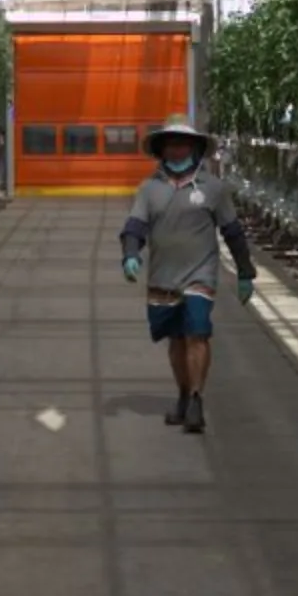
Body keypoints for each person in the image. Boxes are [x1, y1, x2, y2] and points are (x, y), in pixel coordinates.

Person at [117, 115, 257, 433]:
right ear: (162, 150)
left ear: (195, 148)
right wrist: (130, 255)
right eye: (171, 144)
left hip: (200, 274)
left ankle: (196, 398)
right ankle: (183, 393)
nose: (177, 150)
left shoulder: (214, 189)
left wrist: (245, 272)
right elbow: (135, 226)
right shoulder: (149, 189)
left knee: (198, 332)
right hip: (163, 277)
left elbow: (232, 230)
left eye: (183, 144)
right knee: (177, 340)